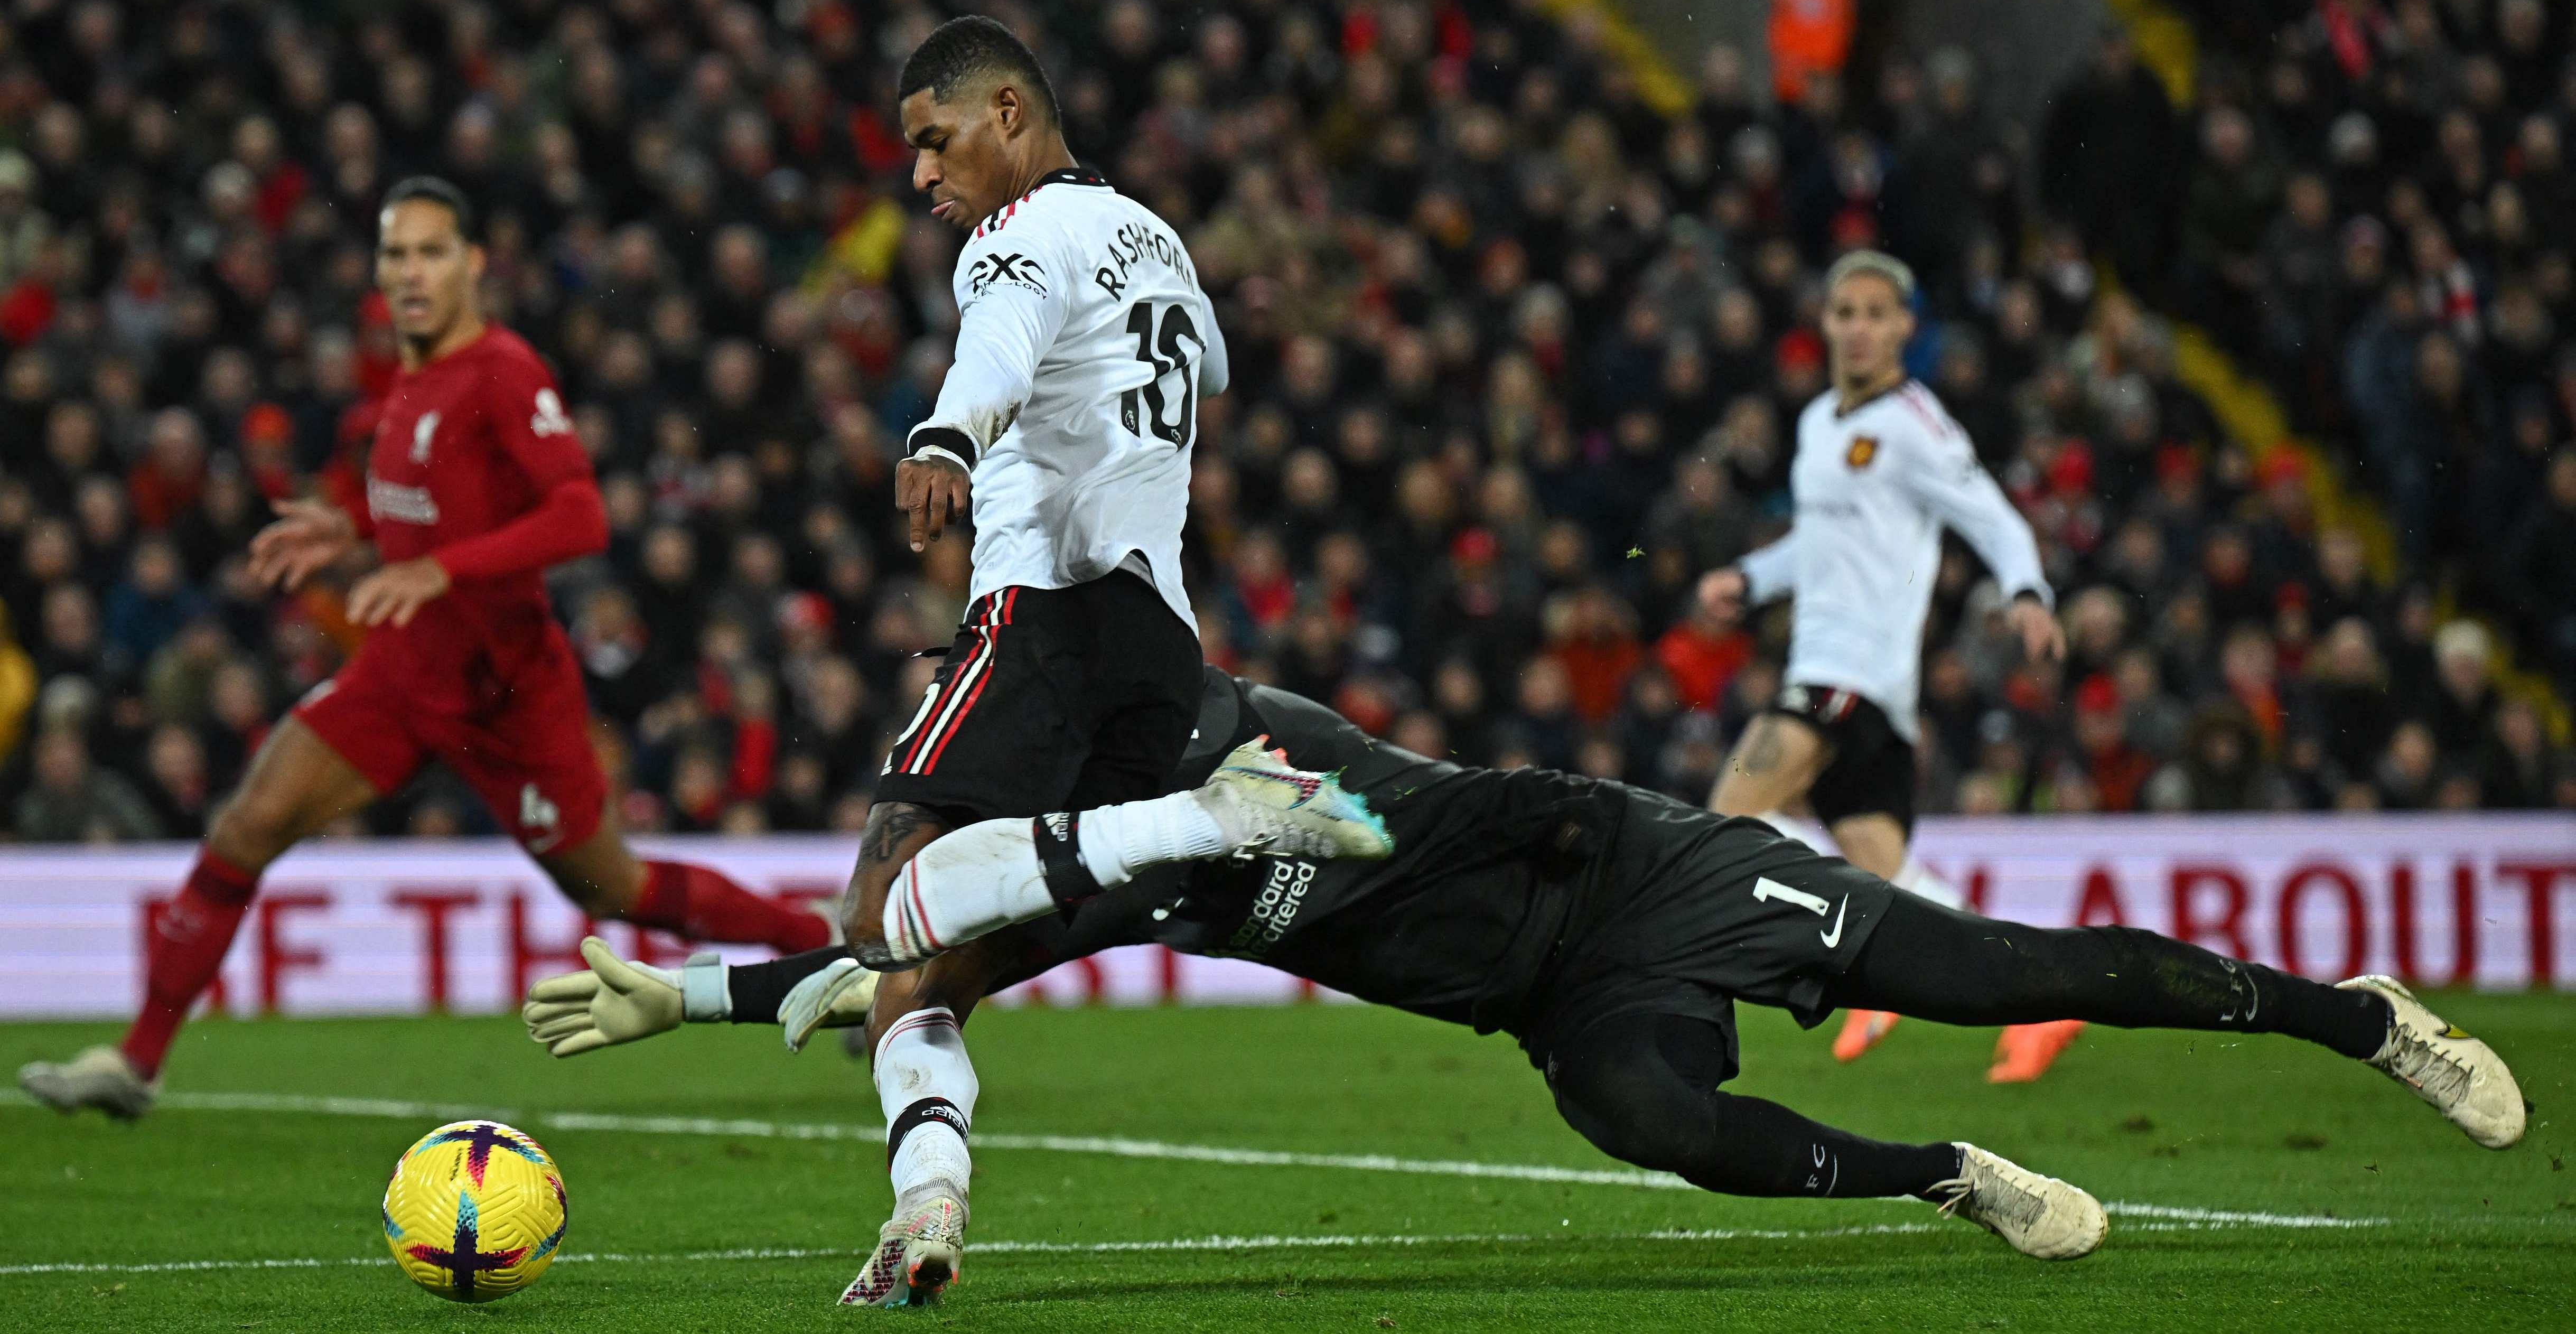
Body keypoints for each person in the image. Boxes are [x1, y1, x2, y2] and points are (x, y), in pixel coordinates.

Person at [524, 667, 2526, 1305]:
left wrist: (1550, 827)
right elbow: (917, 957)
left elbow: (1443, 813)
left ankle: (2360, 1021)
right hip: (1559, 1003)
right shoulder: (1113, 856)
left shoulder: (1255, 745)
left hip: (1659, 874)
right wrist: (695, 995)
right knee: (1646, 1121)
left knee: (2004, 962)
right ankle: (1940, 1173)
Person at [17, 177, 832, 1121]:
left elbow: (580, 515)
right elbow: (433, 499)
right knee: (247, 826)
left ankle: (809, 939)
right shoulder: (406, 381)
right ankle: (136, 1063)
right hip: (403, 674)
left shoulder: (502, 371)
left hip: (507, 694)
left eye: (432, 252)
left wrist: (442, 571)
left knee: (615, 887)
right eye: (396, 254)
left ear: (474, 264)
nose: (411, 272)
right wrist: (350, 529)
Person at [830, 15, 1231, 1304]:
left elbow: (994, 348)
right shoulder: (1154, 240)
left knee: (875, 909)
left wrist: (946, 437)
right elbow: (1205, 366)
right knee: (924, 978)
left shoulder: (1017, 237)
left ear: (1009, 112)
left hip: (1046, 615)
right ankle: (924, 1205)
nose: (921, 179)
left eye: (933, 141)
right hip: (1161, 646)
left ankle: (1195, 831)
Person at [1694, 250, 2078, 1078]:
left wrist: (2028, 591)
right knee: (1887, 875)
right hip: (1849, 681)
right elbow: (1819, 545)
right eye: (1845, 313)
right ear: (1825, 325)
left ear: (1906, 327)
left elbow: (1994, 516)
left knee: (1729, 818)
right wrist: (1752, 580)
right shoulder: (1819, 425)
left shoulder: (1914, 424)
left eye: (1877, 313)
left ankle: (1729, 985)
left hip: (1851, 673)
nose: (1860, 328)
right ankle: (2044, 1001)